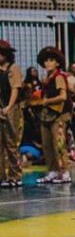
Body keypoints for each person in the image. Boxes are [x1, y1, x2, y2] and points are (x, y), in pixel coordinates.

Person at [30, 47, 72, 184]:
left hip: (58, 115)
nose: (48, 63)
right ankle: (53, 171)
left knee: (58, 144)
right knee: (47, 144)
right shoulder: (46, 79)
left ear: (57, 63)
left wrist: (45, 101)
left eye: (51, 60)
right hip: (47, 115)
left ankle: (64, 172)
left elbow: (63, 96)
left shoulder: (59, 77)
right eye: (46, 61)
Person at [0, 40, 24, 188]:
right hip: (1, 108)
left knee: (11, 142)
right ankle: (2, 175)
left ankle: (15, 175)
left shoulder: (13, 68)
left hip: (12, 109)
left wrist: (8, 107)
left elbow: (15, 89)